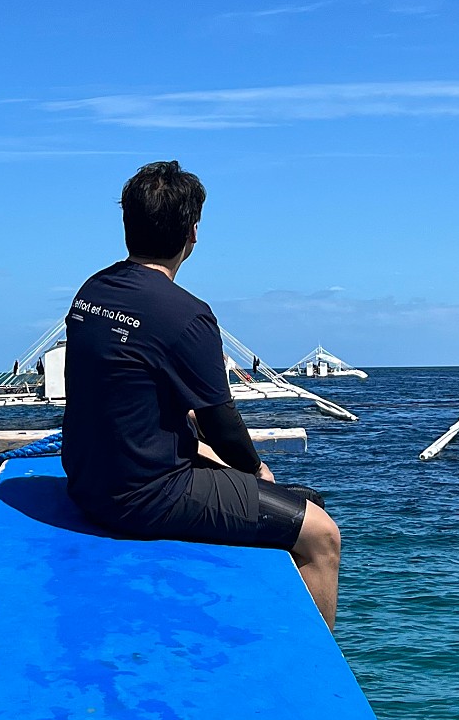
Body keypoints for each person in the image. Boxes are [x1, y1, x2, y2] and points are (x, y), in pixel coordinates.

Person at [61, 161, 342, 629]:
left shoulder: (91, 291)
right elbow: (221, 424)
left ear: (128, 224)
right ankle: (315, 666)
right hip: (140, 499)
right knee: (319, 533)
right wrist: (257, 472)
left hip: (87, 479)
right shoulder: (187, 315)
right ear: (192, 233)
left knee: (286, 494)